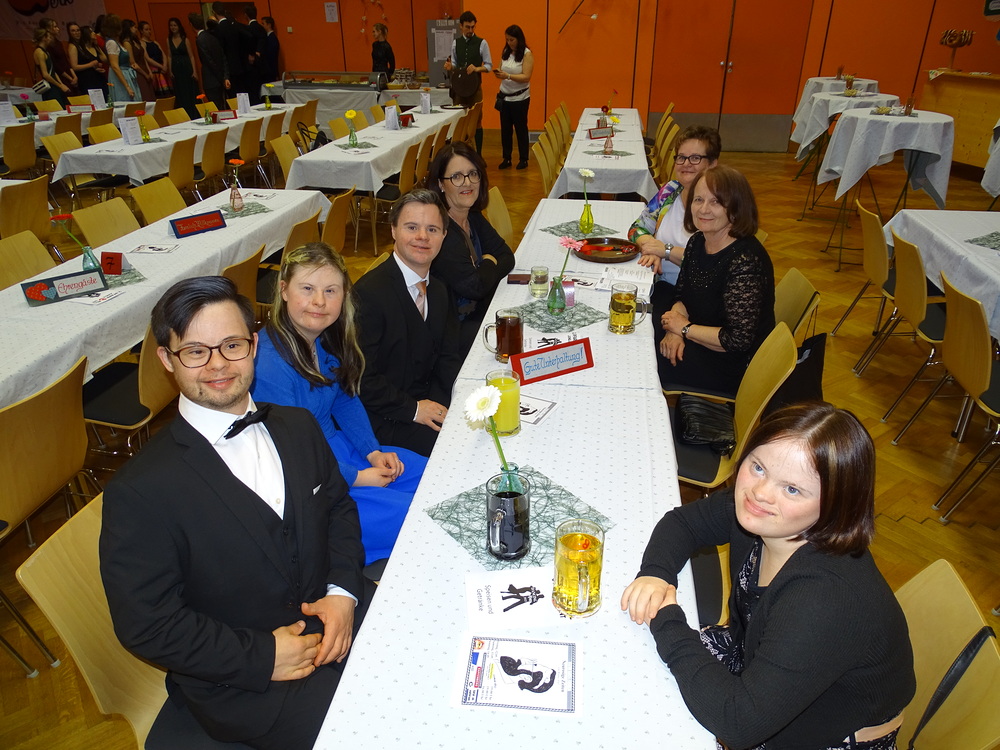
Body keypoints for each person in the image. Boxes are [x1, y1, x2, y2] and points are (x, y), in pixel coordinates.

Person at [100, 276, 374, 749]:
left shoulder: (298, 426)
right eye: (195, 351)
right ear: (166, 359)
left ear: (254, 345)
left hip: (341, 616)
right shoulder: (139, 492)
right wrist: (262, 657)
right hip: (250, 685)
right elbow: (147, 623)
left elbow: (338, 510)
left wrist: (343, 592)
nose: (218, 365)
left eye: (231, 345)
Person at [622, 402, 915, 750]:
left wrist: (668, 622)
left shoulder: (825, 598)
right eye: (758, 467)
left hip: (812, 734)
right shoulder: (764, 514)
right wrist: (656, 575)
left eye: (792, 490)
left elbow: (738, 723)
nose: (760, 492)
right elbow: (684, 523)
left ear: (835, 504)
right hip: (757, 674)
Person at [253, 243, 427, 565]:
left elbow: (345, 399)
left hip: (340, 451)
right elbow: (293, 455)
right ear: (284, 290)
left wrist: (372, 451)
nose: (319, 301)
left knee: (430, 475)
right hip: (312, 480)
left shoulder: (321, 339)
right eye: (307, 288)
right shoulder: (269, 365)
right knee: (415, 516)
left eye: (330, 290)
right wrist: (359, 477)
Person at [353, 189, 462, 457]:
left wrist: (442, 406)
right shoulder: (367, 295)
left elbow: (448, 356)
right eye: (412, 227)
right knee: (459, 448)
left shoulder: (438, 289)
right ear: (393, 230)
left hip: (427, 405)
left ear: (444, 235)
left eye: (432, 229)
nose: (422, 236)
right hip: (385, 417)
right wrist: (415, 409)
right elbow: (361, 379)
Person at [657, 165, 774, 397]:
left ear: (737, 208)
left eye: (716, 202)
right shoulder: (698, 241)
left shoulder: (745, 261)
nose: (704, 209)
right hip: (698, 337)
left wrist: (684, 329)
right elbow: (681, 294)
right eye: (698, 199)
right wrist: (674, 331)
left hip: (731, 366)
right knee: (643, 327)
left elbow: (737, 340)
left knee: (645, 361)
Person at [427, 141, 515, 355]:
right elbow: (474, 288)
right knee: (514, 340)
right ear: (440, 184)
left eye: (472, 174)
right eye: (456, 177)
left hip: (479, 310)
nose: (467, 182)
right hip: (453, 331)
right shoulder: (441, 231)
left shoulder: (472, 216)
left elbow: (507, 256)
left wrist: (484, 271)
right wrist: (489, 261)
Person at [628, 125, 721, 317]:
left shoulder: (718, 206)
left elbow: (713, 264)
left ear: (712, 164)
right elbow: (636, 229)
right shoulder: (670, 191)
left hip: (696, 298)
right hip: (658, 284)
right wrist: (651, 245)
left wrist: (665, 251)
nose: (686, 164)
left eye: (695, 158)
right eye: (681, 157)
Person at [443, 11, 491, 153]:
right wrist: (450, 67)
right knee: (459, 120)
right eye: (467, 27)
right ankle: (461, 152)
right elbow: (455, 64)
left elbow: (489, 66)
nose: (470, 30)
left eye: (472, 27)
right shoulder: (455, 43)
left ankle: (479, 154)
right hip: (459, 88)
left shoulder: (482, 43)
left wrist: (477, 68)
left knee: (477, 121)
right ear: (461, 26)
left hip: (475, 87)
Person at [492, 25, 533, 170]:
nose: (509, 42)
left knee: (521, 129)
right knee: (505, 130)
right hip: (505, 97)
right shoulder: (506, 52)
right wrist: (499, 73)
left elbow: (526, 77)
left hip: (520, 98)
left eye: (512, 40)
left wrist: (508, 76)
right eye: (507, 40)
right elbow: (500, 67)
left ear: (519, 39)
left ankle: (523, 158)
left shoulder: (527, 54)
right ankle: (507, 157)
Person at [190, 11, 229, 109]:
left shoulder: (200, 40)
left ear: (191, 25)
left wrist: (220, 77)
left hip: (211, 80)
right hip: (219, 79)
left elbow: (208, 61)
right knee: (221, 106)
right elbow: (223, 57)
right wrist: (224, 77)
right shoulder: (212, 37)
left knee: (215, 108)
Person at [101, 15, 139, 103]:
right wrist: (127, 86)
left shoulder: (117, 42)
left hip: (126, 74)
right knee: (126, 100)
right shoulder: (111, 43)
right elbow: (114, 66)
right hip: (120, 78)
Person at [166, 17, 199, 118]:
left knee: (189, 92)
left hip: (186, 68)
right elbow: (169, 56)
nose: (173, 27)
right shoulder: (168, 40)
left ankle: (193, 114)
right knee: (180, 93)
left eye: (175, 25)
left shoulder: (185, 39)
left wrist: (194, 71)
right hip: (176, 69)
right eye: (171, 25)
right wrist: (170, 70)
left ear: (179, 26)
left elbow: (191, 56)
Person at [68, 24, 108, 99]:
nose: (94, 33)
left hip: (99, 78)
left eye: (78, 30)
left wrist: (96, 45)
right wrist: (91, 64)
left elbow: (105, 59)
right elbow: (74, 66)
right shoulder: (76, 47)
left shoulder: (93, 46)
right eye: (91, 32)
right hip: (87, 80)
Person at [39, 18, 78, 96]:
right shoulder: (47, 47)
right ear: (48, 29)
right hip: (62, 77)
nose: (58, 29)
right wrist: (70, 78)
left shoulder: (58, 42)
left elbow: (65, 60)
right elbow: (56, 67)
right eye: (55, 27)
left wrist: (74, 76)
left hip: (69, 74)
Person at [32, 28, 70, 107]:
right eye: (49, 37)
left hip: (55, 84)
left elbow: (53, 71)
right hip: (50, 86)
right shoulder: (39, 52)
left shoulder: (46, 52)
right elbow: (45, 74)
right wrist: (60, 85)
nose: (50, 39)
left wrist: (61, 84)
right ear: (44, 38)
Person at [123, 20, 155, 102]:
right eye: (134, 27)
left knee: (151, 96)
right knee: (145, 96)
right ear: (128, 28)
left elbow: (143, 57)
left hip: (145, 69)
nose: (136, 29)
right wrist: (145, 74)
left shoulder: (136, 40)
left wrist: (149, 71)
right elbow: (132, 63)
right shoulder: (127, 43)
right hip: (138, 73)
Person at [138, 21, 171, 97]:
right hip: (154, 71)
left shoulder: (155, 42)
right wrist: (161, 66)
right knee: (158, 94)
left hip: (162, 70)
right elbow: (147, 58)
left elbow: (163, 54)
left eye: (150, 29)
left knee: (167, 94)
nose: (149, 31)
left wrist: (165, 65)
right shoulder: (142, 43)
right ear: (141, 31)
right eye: (146, 29)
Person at [245, 5, 267, 104]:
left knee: (253, 93)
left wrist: (252, 54)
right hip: (263, 65)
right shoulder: (262, 28)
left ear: (246, 15)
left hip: (252, 66)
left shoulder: (248, 29)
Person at [261, 16, 280, 83]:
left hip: (270, 70)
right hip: (269, 70)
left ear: (269, 25)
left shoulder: (272, 39)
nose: (262, 26)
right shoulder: (269, 37)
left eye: (263, 23)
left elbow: (271, 56)